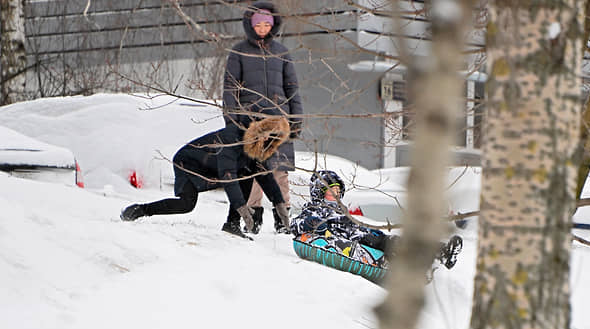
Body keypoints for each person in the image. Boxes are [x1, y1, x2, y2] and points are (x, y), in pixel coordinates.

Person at [119, 116, 290, 239]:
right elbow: (228, 176)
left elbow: (264, 176)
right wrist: (242, 208)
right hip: (188, 162)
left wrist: (279, 203)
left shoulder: (257, 148)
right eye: (267, 136)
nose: (269, 141)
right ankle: (140, 210)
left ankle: (232, 225)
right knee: (186, 204)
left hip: (211, 166)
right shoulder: (232, 139)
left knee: (248, 174)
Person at [223, 1, 303, 234]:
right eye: (258, 24)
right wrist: (232, 122)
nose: (262, 27)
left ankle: (283, 220)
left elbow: (293, 89)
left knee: (280, 171)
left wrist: (296, 120)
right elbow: (230, 90)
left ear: (273, 25)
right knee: (254, 170)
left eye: (267, 23)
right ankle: (252, 217)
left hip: (279, 122)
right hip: (251, 123)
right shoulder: (239, 51)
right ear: (250, 24)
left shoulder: (282, 53)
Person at [291, 170, 464, 269]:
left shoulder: (341, 210)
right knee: (392, 245)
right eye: (331, 191)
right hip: (353, 240)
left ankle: (439, 252)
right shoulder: (313, 210)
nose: (336, 195)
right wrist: (314, 221)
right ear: (319, 193)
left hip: (363, 235)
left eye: (338, 192)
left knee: (396, 242)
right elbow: (296, 226)